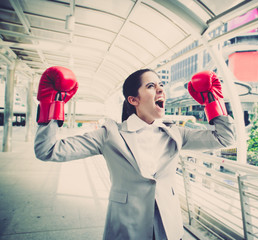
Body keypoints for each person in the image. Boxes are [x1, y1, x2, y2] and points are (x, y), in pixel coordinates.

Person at [34, 66, 235, 240]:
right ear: (133, 100)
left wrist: (212, 100)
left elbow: (224, 138)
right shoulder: (109, 135)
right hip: (127, 228)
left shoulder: (175, 133)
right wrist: (52, 103)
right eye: (151, 86)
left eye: (160, 84)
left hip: (170, 227)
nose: (160, 89)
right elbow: (48, 150)